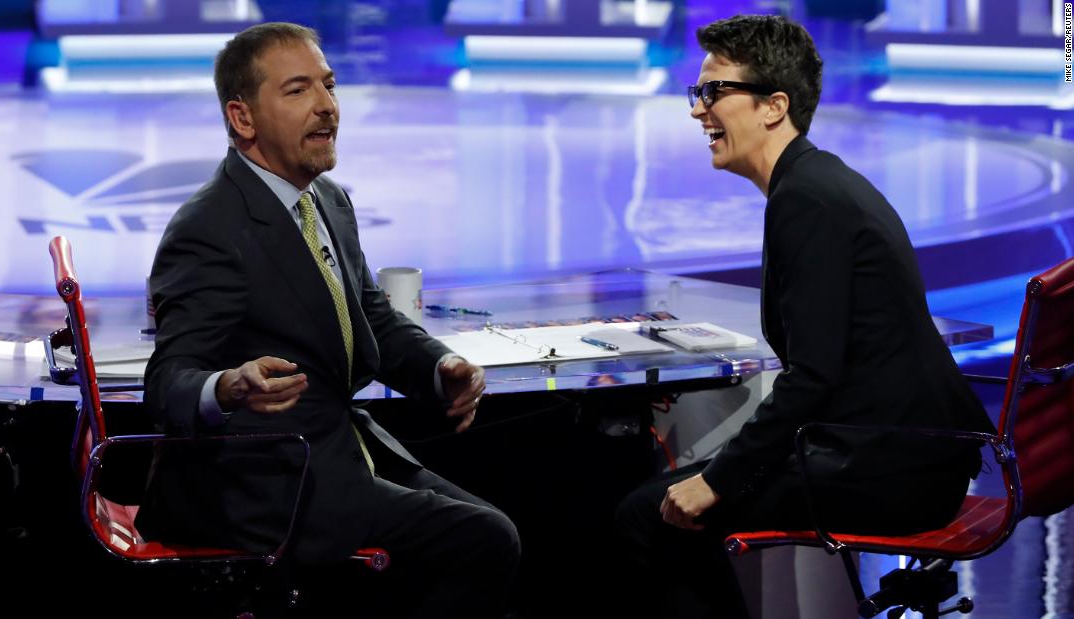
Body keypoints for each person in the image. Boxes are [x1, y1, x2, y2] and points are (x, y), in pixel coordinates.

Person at [612, 14, 995, 618]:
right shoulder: (816, 184)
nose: (697, 110)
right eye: (698, 93)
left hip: (892, 469)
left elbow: (812, 378)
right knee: (669, 503)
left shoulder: (809, 200)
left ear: (773, 106)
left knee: (648, 515)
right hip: (909, 455)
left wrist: (718, 480)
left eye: (714, 92)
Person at [135, 22, 519, 618]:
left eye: (330, 86)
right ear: (243, 118)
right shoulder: (210, 228)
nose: (327, 107)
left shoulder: (327, 200)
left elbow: (370, 316)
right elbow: (166, 382)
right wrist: (229, 386)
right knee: (485, 539)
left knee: (491, 526)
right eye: (297, 91)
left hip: (336, 450)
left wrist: (441, 365)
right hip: (262, 485)